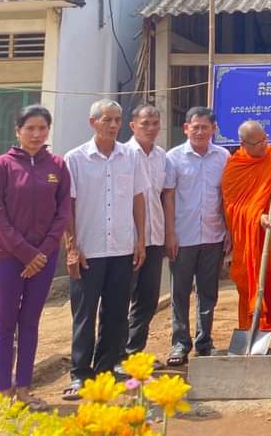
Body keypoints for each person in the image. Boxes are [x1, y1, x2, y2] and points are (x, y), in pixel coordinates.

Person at [0, 105, 70, 409]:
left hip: (43, 260)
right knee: (6, 325)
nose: (36, 134)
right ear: (17, 131)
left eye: (42, 128)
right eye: (30, 128)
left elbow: (63, 212)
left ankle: (23, 388)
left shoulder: (57, 166)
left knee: (30, 323)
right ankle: (2, 391)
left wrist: (42, 252)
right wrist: (25, 252)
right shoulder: (1, 166)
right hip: (7, 258)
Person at [63, 100, 147, 400]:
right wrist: (72, 247)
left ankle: (105, 370)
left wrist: (140, 239)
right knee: (84, 315)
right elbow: (67, 205)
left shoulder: (131, 156)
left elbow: (138, 198)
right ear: (93, 122)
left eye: (117, 120)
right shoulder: (75, 159)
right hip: (89, 250)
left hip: (122, 247)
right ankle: (80, 374)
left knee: (116, 314)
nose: (113, 125)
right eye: (107, 120)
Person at [222, 119, 271, 347]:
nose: (264, 145)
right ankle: (254, 333)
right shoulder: (235, 168)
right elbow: (233, 207)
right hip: (253, 239)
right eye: (257, 143)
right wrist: (258, 217)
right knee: (254, 284)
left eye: (265, 139)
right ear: (243, 144)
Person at [163, 106, 230, 365]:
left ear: (214, 129)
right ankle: (180, 344)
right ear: (186, 129)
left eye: (205, 127)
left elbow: (225, 197)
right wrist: (170, 233)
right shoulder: (173, 158)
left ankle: (205, 343)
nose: (200, 132)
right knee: (179, 293)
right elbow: (168, 196)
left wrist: (229, 231)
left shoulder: (223, 157)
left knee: (208, 293)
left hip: (213, 235)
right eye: (196, 127)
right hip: (183, 236)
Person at [123, 104, 167, 361]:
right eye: (145, 124)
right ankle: (115, 355)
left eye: (155, 123)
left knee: (148, 300)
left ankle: (133, 353)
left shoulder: (162, 156)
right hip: (127, 240)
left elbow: (164, 196)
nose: (151, 128)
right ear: (133, 126)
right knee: (121, 299)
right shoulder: (123, 155)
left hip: (155, 237)